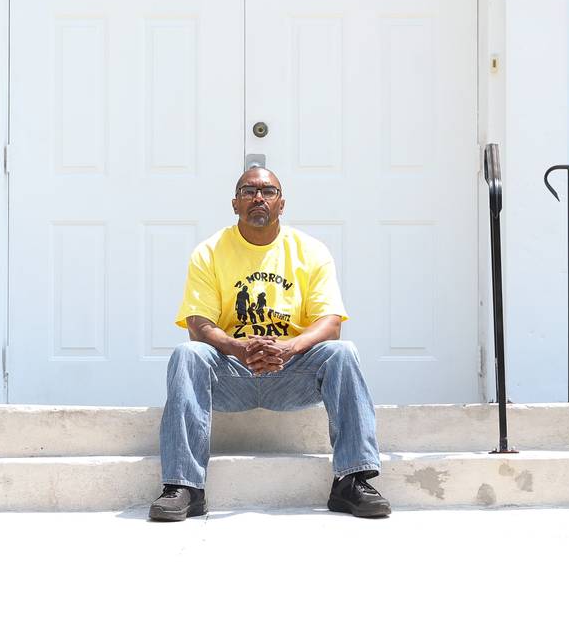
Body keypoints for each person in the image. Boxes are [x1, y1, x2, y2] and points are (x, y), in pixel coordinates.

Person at [150, 165, 391, 521]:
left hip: (291, 373)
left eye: (268, 191)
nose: (258, 198)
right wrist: (238, 348)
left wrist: (289, 348)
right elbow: (198, 323)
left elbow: (331, 322)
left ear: (282, 204)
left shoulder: (310, 251)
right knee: (188, 354)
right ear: (235, 204)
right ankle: (184, 486)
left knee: (343, 352)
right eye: (248, 191)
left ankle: (351, 481)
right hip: (232, 374)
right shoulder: (210, 252)